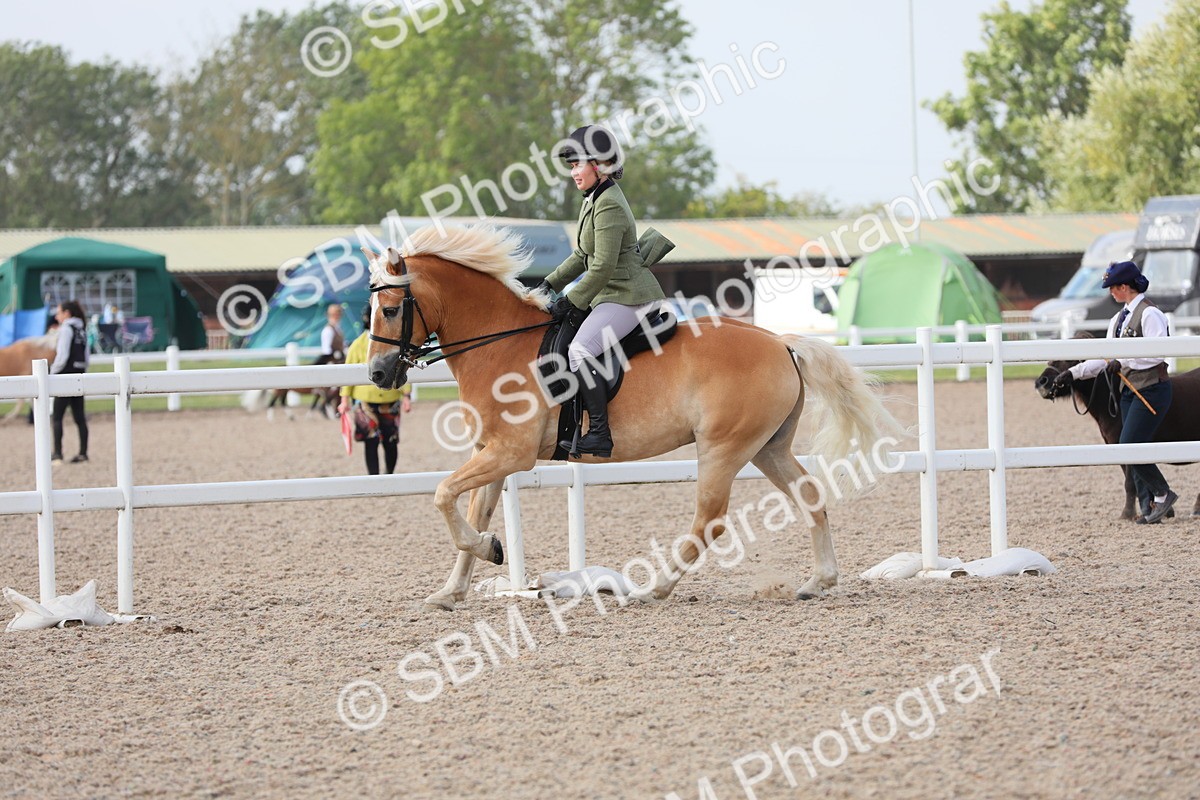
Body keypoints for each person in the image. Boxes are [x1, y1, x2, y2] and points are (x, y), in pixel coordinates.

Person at [536, 124, 667, 459]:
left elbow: (603, 267)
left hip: (628, 296)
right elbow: (582, 255)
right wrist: (549, 283)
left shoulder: (609, 204)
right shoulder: (593, 199)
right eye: (571, 166)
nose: (573, 172)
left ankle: (599, 433)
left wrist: (571, 300)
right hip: (610, 293)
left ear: (599, 166)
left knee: (579, 350)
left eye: (578, 164)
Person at [1052, 260, 1177, 524]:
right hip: (1129, 391)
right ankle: (1151, 504)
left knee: (1128, 445)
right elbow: (1106, 358)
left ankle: (1163, 493)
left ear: (1124, 286)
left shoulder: (1150, 314)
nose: (1110, 293)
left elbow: (1157, 354)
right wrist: (1073, 373)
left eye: (1112, 288)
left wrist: (1125, 362)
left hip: (1152, 388)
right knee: (1128, 445)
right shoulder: (1117, 319)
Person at [338, 304, 412, 475]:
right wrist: (344, 400)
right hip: (366, 401)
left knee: (390, 441)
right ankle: (374, 478)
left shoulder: (393, 344)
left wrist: (406, 395)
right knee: (370, 441)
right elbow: (347, 374)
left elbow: (403, 369)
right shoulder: (357, 345)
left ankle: (388, 475)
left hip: (390, 398)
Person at [49, 300, 89, 464]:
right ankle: (83, 453)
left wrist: (52, 372)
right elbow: (86, 357)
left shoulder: (66, 329)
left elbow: (62, 354)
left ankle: (58, 453)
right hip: (79, 373)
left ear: (67, 313)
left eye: (59, 313)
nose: (57, 316)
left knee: (57, 416)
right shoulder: (81, 328)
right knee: (79, 416)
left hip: (65, 375)